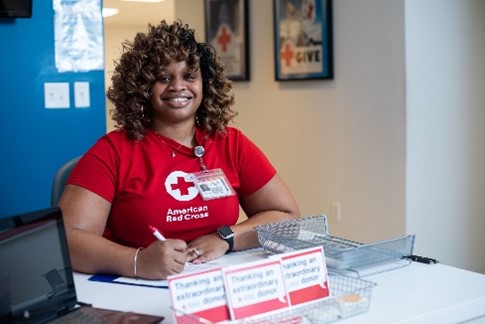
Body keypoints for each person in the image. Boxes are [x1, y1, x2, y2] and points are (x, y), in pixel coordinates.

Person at [58, 20, 300, 280]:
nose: (178, 86)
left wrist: (226, 238)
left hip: (214, 283)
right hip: (135, 287)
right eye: (163, 78)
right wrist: (138, 261)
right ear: (142, 88)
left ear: (204, 84)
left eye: (189, 76)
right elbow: (67, 239)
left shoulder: (230, 142)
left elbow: (287, 217)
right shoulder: (113, 151)